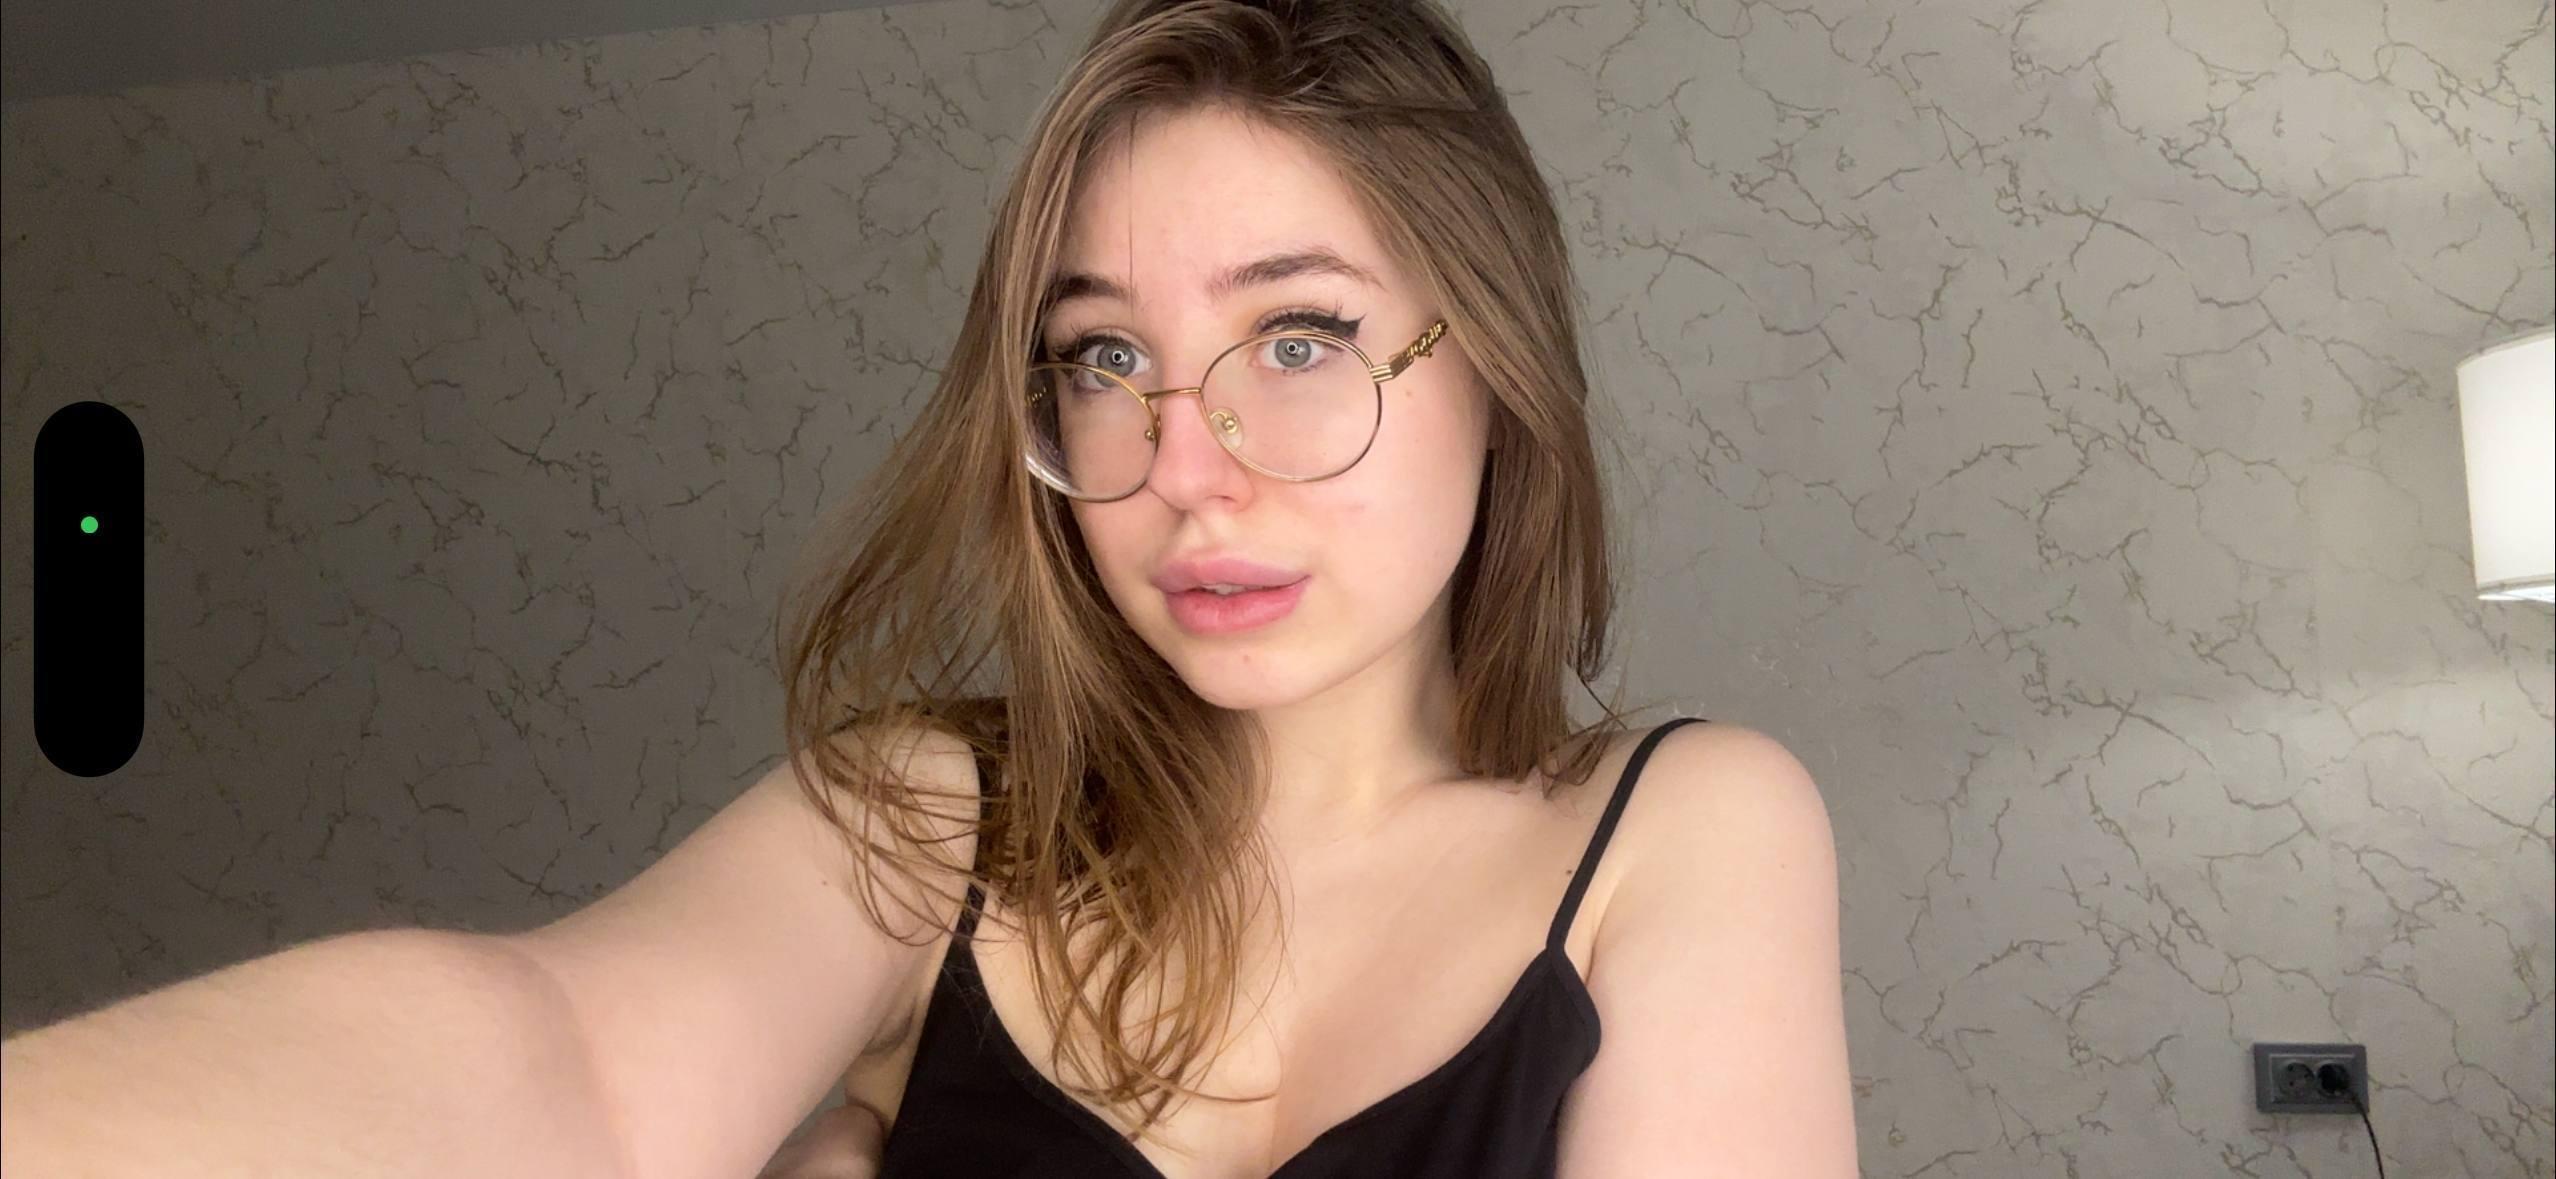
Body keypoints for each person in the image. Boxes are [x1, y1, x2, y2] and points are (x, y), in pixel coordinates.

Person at [0, 1, 1857, 1176]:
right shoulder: (931, 815)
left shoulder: (1685, 834)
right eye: (1104, 360)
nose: (1182, 465)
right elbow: (558, 1059)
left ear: (1497, 364)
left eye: (1298, 338)